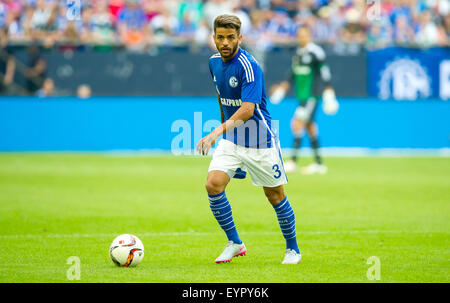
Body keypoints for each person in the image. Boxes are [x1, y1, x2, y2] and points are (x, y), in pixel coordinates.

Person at [196, 14, 301, 265]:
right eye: (220, 37)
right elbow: (223, 99)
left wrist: (214, 132)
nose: (225, 42)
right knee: (213, 184)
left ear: (240, 38)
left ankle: (293, 250)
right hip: (233, 140)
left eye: (230, 37)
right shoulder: (213, 63)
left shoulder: (248, 66)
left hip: (259, 140)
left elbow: (248, 109)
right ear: (214, 38)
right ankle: (235, 243)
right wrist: (224, 133)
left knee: (275, 196)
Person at [271, 25, 336, 175]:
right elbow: (291, 75)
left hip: (312, 96)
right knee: (310, 128)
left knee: (296, 124)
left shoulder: (316, 52)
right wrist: (282, 90)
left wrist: (328, 91)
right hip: (302, 97)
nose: (301, 38)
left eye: (304, 35)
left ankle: (293, 161)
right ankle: (319, 164)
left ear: (310, 36)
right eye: (299, 35)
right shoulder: (298, 54)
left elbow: (324, 72)